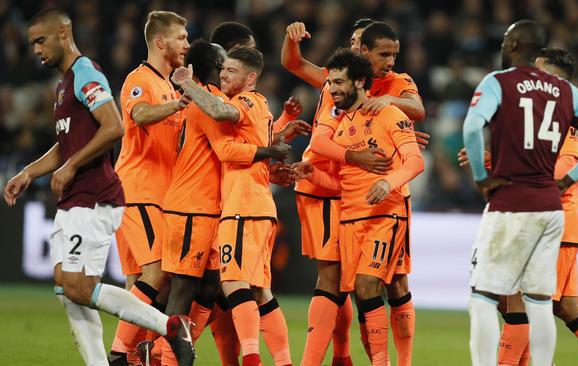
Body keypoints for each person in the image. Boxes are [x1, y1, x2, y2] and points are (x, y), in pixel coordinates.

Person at [3, 8, 194, 366]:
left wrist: (71, 166)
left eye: (40, 41)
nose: (36, 51)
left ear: (63, 33)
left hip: (94, 195)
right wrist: (30, 171)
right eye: (31, 45)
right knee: (67, 288)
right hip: (77, 196)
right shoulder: (64, 85)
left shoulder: (85, 72)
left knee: (82, 285)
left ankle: (169, 327)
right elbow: (67, 144)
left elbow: (114, 126)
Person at [462, 20, 578, 366]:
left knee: (511, 300)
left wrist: (488, 172)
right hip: (554, 214)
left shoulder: (564, 111)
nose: (535, 75)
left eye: (543, 70)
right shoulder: (556, 106)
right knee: (559, 306)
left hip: (543, 215)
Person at [282, 19, 425, 366]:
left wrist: (391, 116)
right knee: (341, 281)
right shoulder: (338, 88)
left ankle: (393, 361)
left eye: (392, 53)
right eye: (382, 53)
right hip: (333, 188)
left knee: (391, 284)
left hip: (380, 196)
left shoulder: (395, 90)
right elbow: (294, 64)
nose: (390, 60)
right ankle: (342, 358)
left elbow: (417, 114)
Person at [173, 46, 292, 366]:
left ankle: (251, 359)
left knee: (233, 283)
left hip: (243, 207)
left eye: (232, 71)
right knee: (259, 290)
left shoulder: (245, 101)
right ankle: (283, 362)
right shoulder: (262, 104)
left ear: (250, 78)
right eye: (222, 69)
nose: (224, 75)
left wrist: (188, 83)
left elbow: (221, 119)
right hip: (258, 205)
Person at [109, 10, 192, 365]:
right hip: (140, 190)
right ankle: (119, 353)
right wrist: (178, 103)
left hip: (157, 193)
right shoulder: (139, 79)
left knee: (139, 281)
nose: (187, 44)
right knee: (158, 272)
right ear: (161, 42)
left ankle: (140, 355)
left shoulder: (170, 85)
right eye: (182, 37)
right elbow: (139, 115)